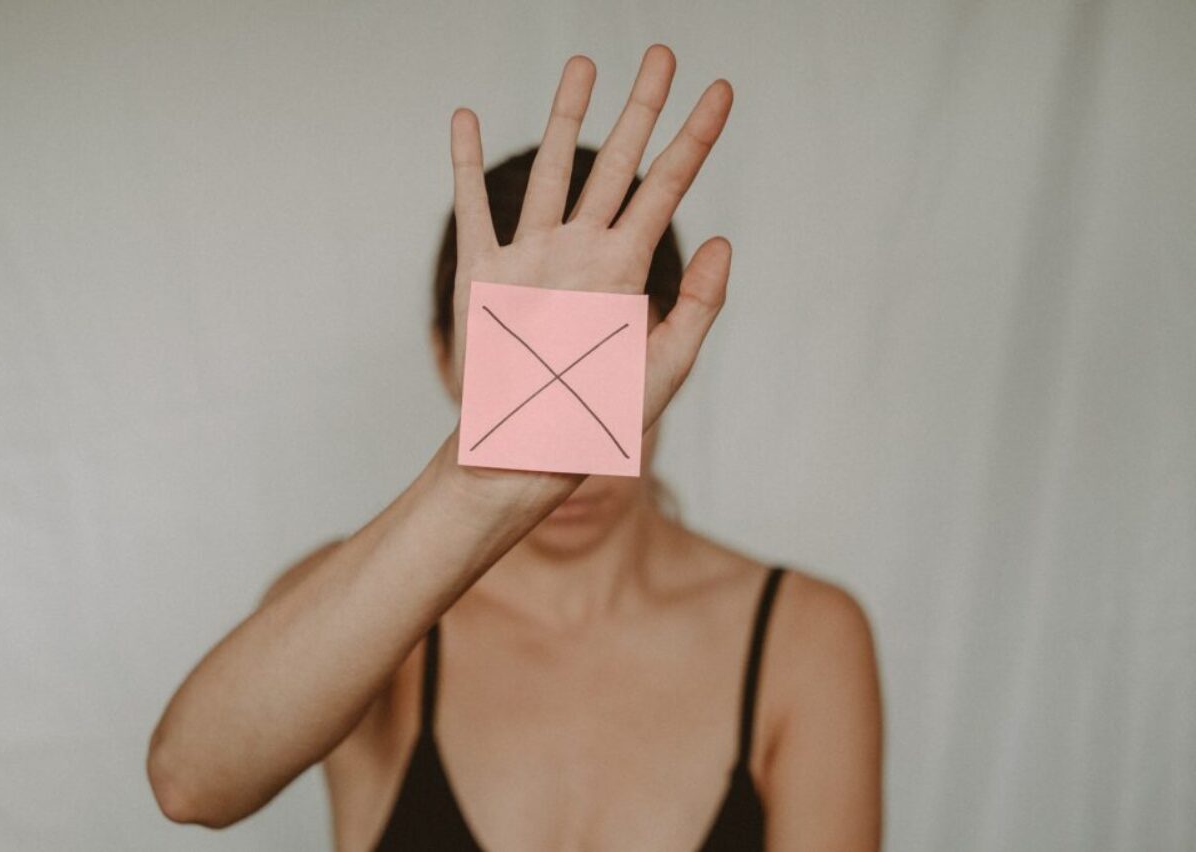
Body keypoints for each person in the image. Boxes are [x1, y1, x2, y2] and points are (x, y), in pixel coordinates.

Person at [146, 44, 883, 851]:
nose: (570, 454)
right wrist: (474, 483)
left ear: (670, 353)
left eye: (602, 362)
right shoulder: (360, 612)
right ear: (444, 356)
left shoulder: (803, 638)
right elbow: (191, 780)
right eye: (523, 365)